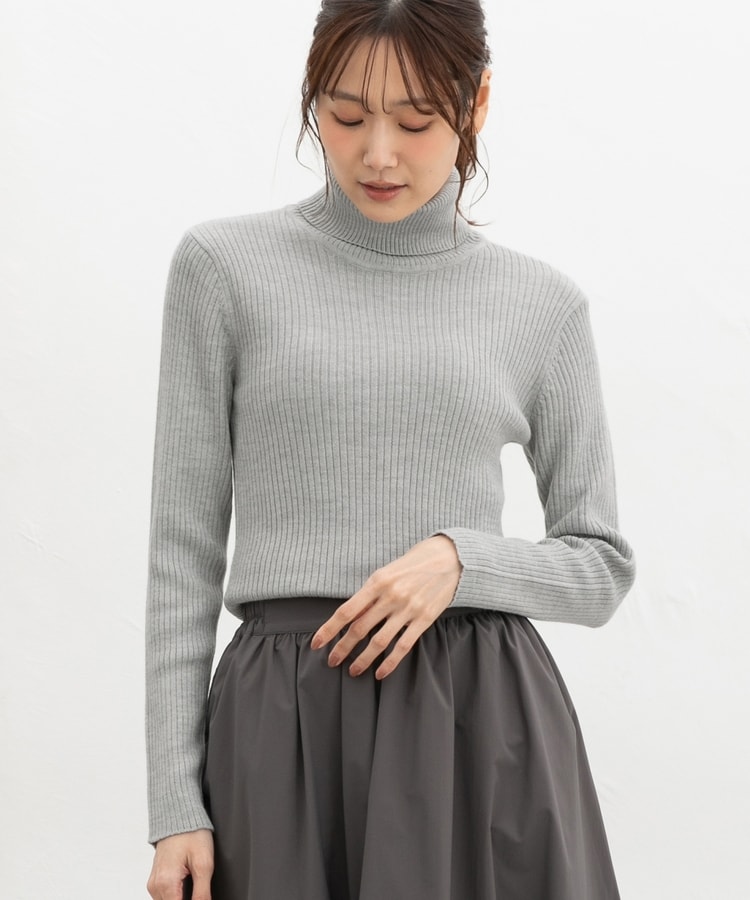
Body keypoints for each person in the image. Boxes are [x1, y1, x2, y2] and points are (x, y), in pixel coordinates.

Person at [144, 1, 636, 898]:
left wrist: (461, 561)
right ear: (311, 100)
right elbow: (183, 555)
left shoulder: (541, 304)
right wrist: (176, 803)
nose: (378, 154)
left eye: (416, 122)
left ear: (476, 104)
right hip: (284, 730)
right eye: (345, 115)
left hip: (476, 729)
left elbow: (602, 565)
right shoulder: (224, 269)